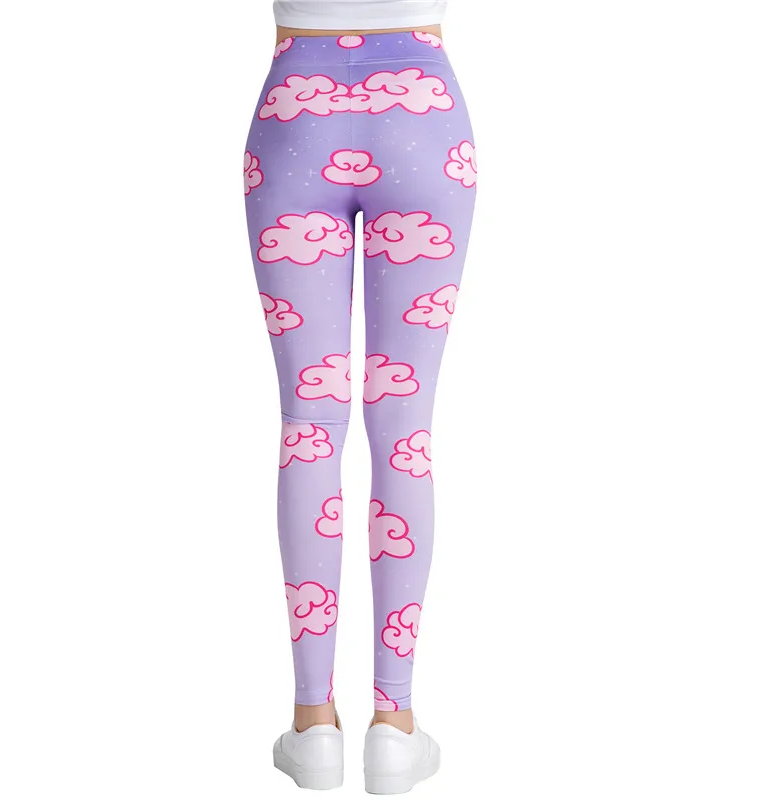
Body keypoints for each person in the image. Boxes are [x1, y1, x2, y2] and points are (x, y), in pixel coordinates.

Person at [243, 0, 476, 792]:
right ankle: (394, 723)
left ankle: (313, 724)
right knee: (404, 429)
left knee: (308, 424)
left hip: (295, 110)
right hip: (424, 116)